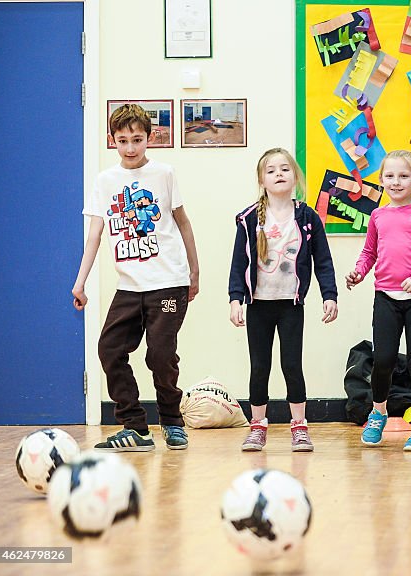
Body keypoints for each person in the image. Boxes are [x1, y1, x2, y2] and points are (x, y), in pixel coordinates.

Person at [72, 103, 200, 452]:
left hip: (168, 281)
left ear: (150, 139)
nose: (130, 148)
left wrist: (194, 270)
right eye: (123, 140)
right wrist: (80, 282)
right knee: (109, 348)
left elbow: (183, 223)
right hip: (129, 285)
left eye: (137, 140)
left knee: (160, 353)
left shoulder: (164, 174)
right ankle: (135, 428)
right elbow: (95, 235)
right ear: (112, 140)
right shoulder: (105, 181)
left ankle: (172, 422)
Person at [229, 147, 338, 452]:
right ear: (262, 179)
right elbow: (239, 263)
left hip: (290, 305)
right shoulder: (250, 218)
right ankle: (257, 426)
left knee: (292, 365)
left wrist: (329, 295)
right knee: (259, 366)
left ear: (295, 177)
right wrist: (235, 299)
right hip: (258, 305)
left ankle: (299, 427)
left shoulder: (307, 217)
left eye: (285, 169)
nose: (279, 174)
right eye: (272, 170)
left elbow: (323, 261)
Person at [346, 150, 411, 451]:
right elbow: (369, 253)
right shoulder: (378, 216)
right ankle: (377, 413)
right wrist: (358, 273)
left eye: (404, 176)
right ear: (381, 180)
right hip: (386, 297)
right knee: (383, 360)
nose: (396, 182)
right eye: (390, 176)